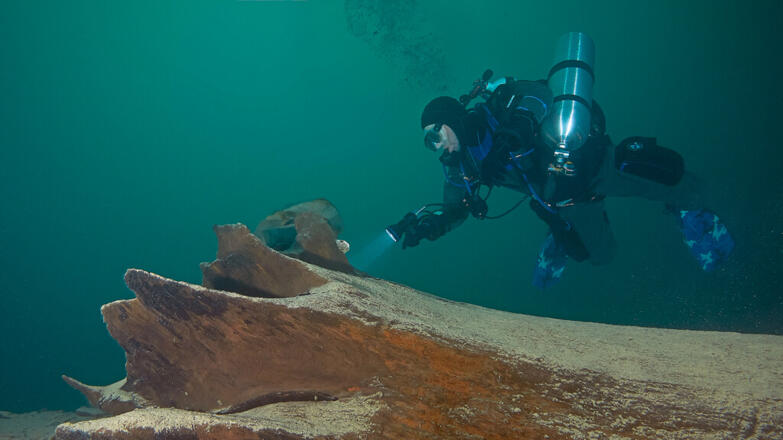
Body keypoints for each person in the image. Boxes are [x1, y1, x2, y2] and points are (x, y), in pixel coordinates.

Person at [395, 74, 735, 288]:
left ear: (451, 120)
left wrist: (521, 124)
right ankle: (561, 231)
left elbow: (539, 93)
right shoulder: (460, 167)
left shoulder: (499, 108)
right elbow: (456, 208)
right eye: (429, 142)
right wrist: (431, 227)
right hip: (565, 202)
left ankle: (687, 208)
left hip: (591, 167)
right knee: (602, 256)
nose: (435, 147)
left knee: (679, 185)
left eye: (434, 135)